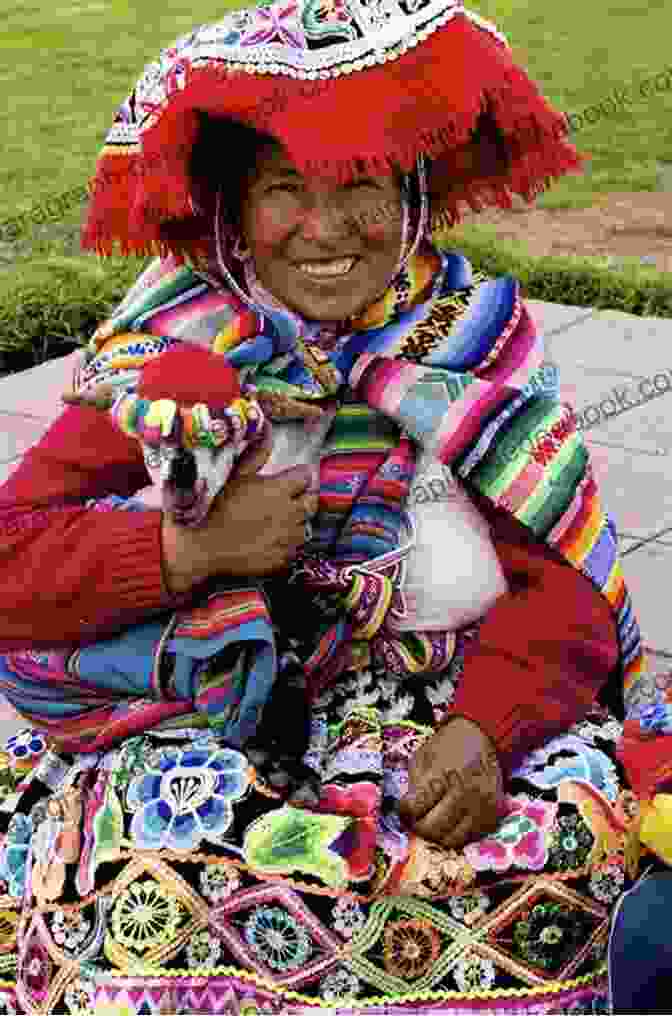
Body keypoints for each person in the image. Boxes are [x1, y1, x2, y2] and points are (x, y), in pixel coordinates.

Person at [0, 0, 667, 1012]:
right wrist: (192, 552)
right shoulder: (172, 351)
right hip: (219, 699)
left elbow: (559, 579)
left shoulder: (472, 337)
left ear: (411, 194)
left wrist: (489, 729)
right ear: (233, 208)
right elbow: (13, 560)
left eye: (360, 182)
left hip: (438, 693)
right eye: (283, 189)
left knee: (574, 847)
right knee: (155, 870)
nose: (325, 227)